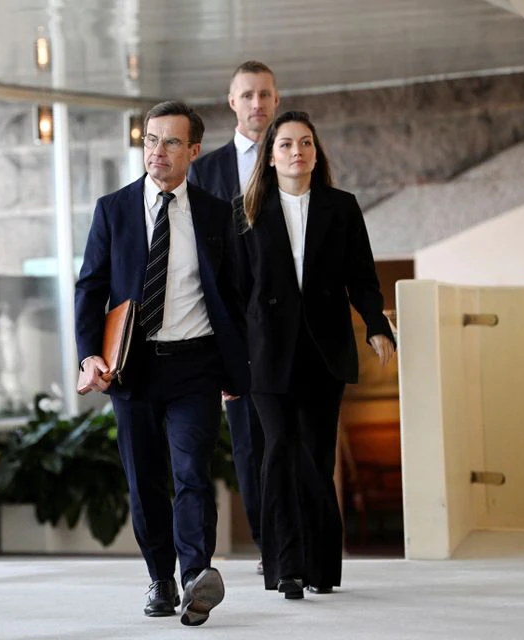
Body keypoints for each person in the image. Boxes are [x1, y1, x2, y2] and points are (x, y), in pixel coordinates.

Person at [75, 101, 248, 626]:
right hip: (132, 368)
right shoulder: (114, 209)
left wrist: (236, 370)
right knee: (144, 478)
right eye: (151, 140)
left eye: (172, 142)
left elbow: (235, 296)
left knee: (193, 472)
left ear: (193, 150)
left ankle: (198, 576)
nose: (158, 151)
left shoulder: (218, 214)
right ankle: (160, 578)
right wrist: (88, 355)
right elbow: (91, 288)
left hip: (194, 363)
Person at [233, 110, 395, 600]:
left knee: (315, 458)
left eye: (305, 143)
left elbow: (362, 278)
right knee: (278, 450)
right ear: (271, 155)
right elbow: (235, 290)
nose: (296, 152)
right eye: (285, 144)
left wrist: (377, 327)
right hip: (267, 355)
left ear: (316, 152)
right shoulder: (246, 210)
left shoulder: (341, 207)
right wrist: (231, 357)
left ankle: (321, 566)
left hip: (323, 352)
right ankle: (285, 567)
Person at [188, 60, 280, 574]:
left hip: (289, 329)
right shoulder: (207, 171)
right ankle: (272, 554)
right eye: (247, 95)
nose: (257, 104)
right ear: (232, 102)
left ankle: (299, 547)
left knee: (295, 441)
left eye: (265, 94)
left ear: (277, 98)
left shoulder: (295, 157)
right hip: (236, 335)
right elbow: (202, 263)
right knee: (249, 446)